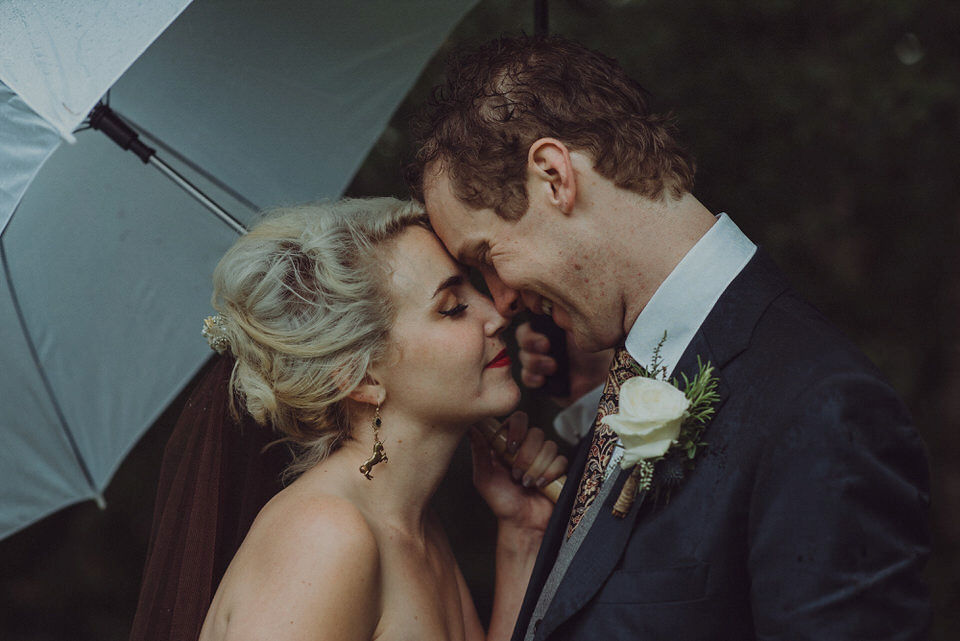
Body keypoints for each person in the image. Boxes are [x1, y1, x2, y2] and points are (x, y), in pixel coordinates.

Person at [407, 35, 932, 640]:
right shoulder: (632, 373)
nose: (499, 299)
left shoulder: (819, 408)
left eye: (488, 256)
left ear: (553, 175)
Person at [137, 197, 568, 641]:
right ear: (361, 378)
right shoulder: (325, 538)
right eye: (453, 307)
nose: (497, 315)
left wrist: (522, 535)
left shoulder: (410, 523)